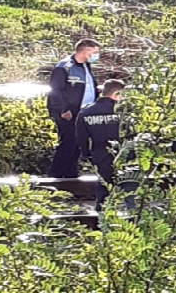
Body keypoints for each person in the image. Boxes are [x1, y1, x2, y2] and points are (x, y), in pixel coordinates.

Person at [76, 79, 136, 211]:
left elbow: (81, 138)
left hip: (100, 153)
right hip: (125, 154)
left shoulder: (86, 112)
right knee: (130, 186)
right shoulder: (126, 111)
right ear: (117, 93)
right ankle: (134, 216)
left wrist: (86, 155)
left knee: (103, 186)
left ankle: (100, 217)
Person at [47, 38, 101, 179]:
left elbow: (91, 87)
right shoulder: (64, 67)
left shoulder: (85, 66)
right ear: (85, 52)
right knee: (68, 141)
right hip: (67, 112)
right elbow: (56, 90)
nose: (97, 56)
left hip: (83, 111)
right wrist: (63, 110)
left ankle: (70, 174)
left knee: (78, 143)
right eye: (95, 52)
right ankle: (56, 174)